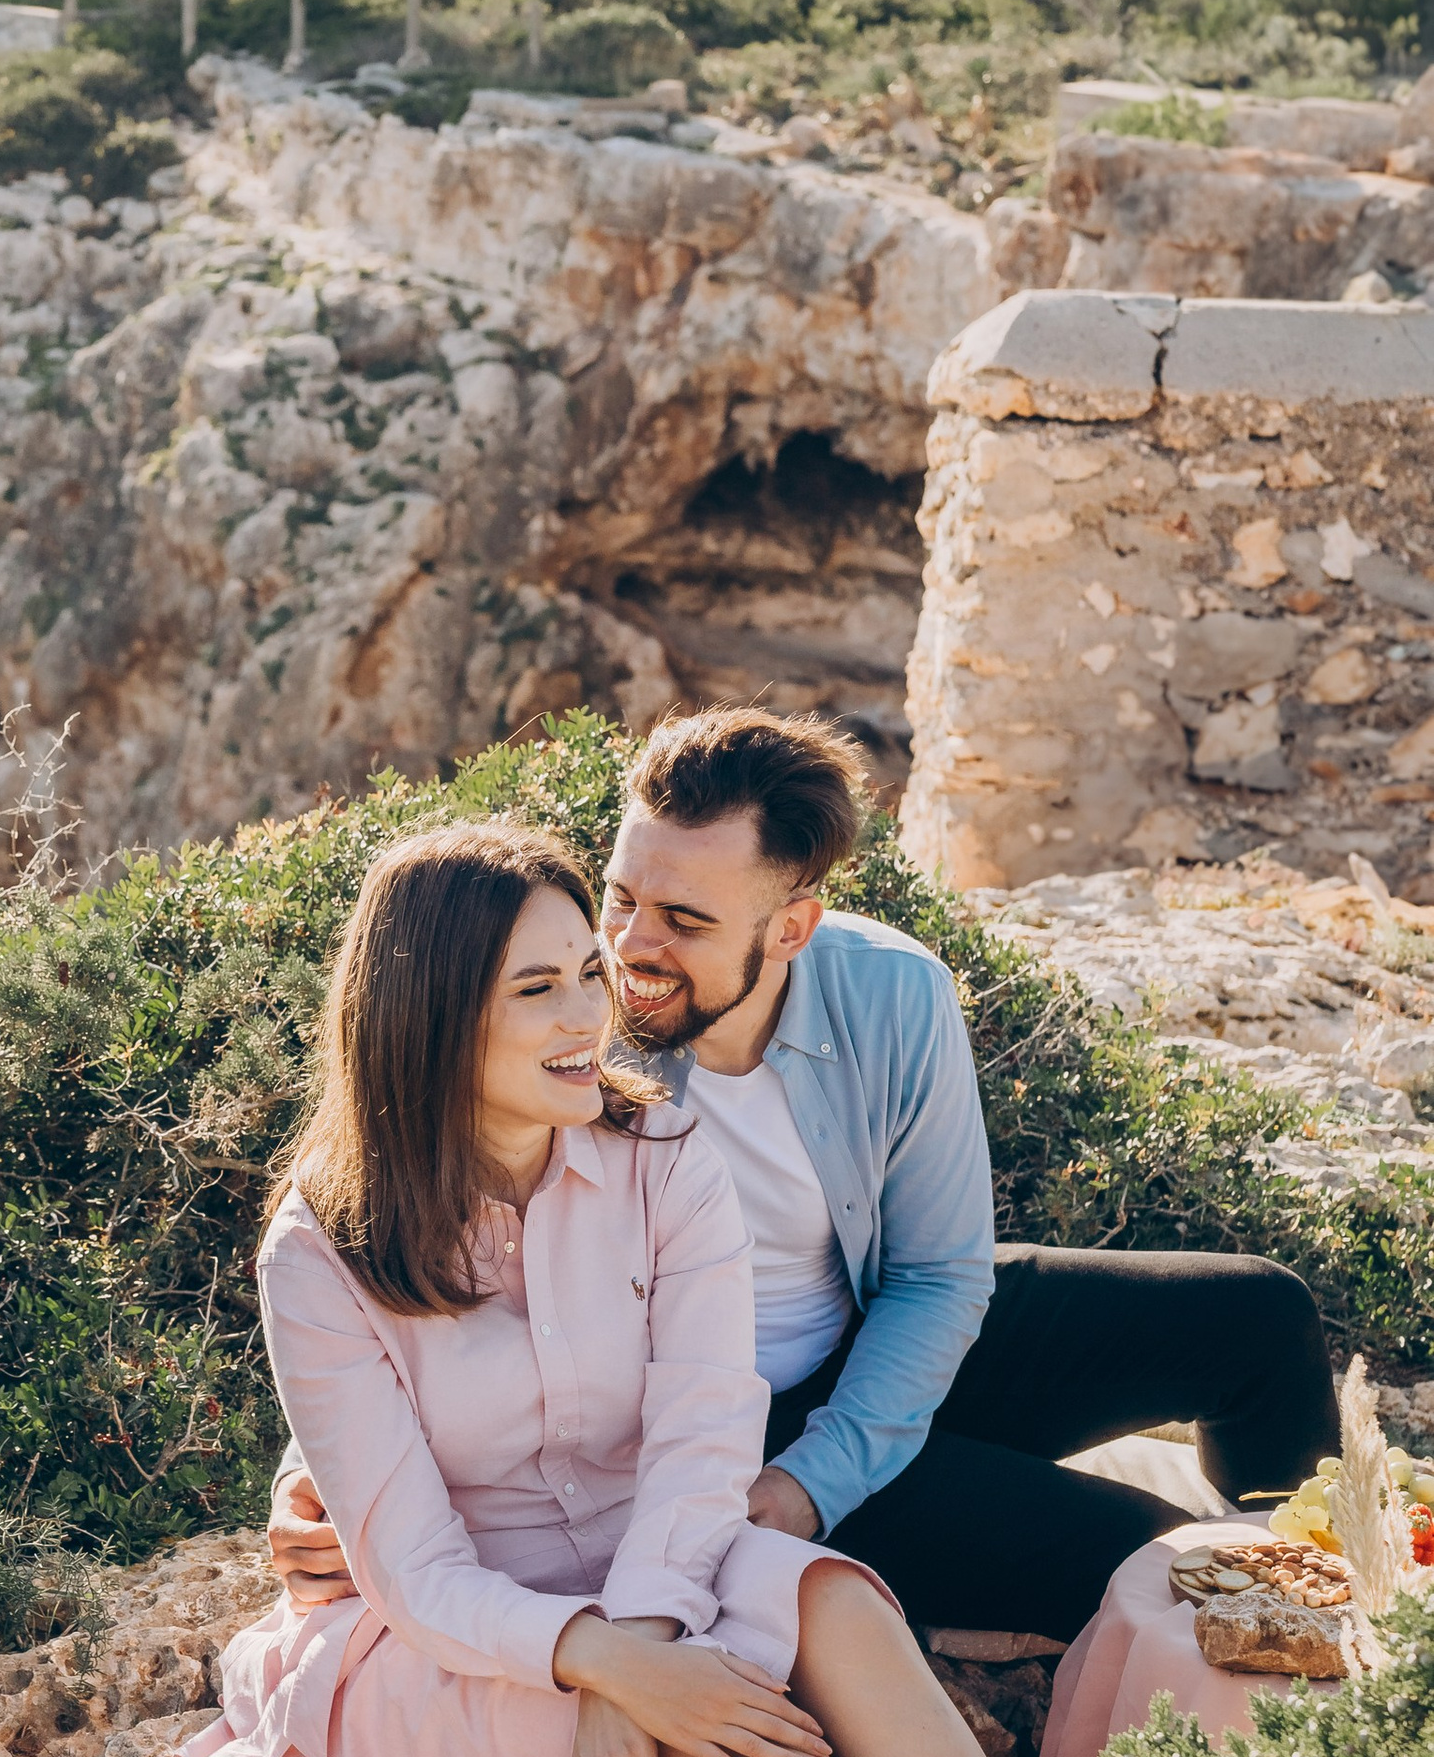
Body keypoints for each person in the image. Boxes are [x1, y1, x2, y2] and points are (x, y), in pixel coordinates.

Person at [269, 708, 1338, 1652]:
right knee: (1158, 1559)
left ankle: (1343, 1627)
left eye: (686, 920)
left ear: (790, 927)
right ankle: (1264, 1661)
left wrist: (818, 1482)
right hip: (715, 1430)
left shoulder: (893, 995)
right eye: (622, 897)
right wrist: (310, 1474)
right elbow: (402, 1222)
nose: (630, 950)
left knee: (1258, 1317)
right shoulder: (564, 1029)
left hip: (870, 1339)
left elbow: (937, 1276)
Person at [179, 819, 1025, 1757]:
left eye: (588, 971)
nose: (590, 1015)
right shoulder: (321, 1251)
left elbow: (703, 1444)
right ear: (429, 1018)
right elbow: (415, 1574)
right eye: (537, 989)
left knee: (834, 1605)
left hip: (659, 1564)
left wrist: (647, 1644)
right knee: (719, 1736)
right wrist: (607, 1669)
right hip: (458, 1640)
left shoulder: (664, 1156)